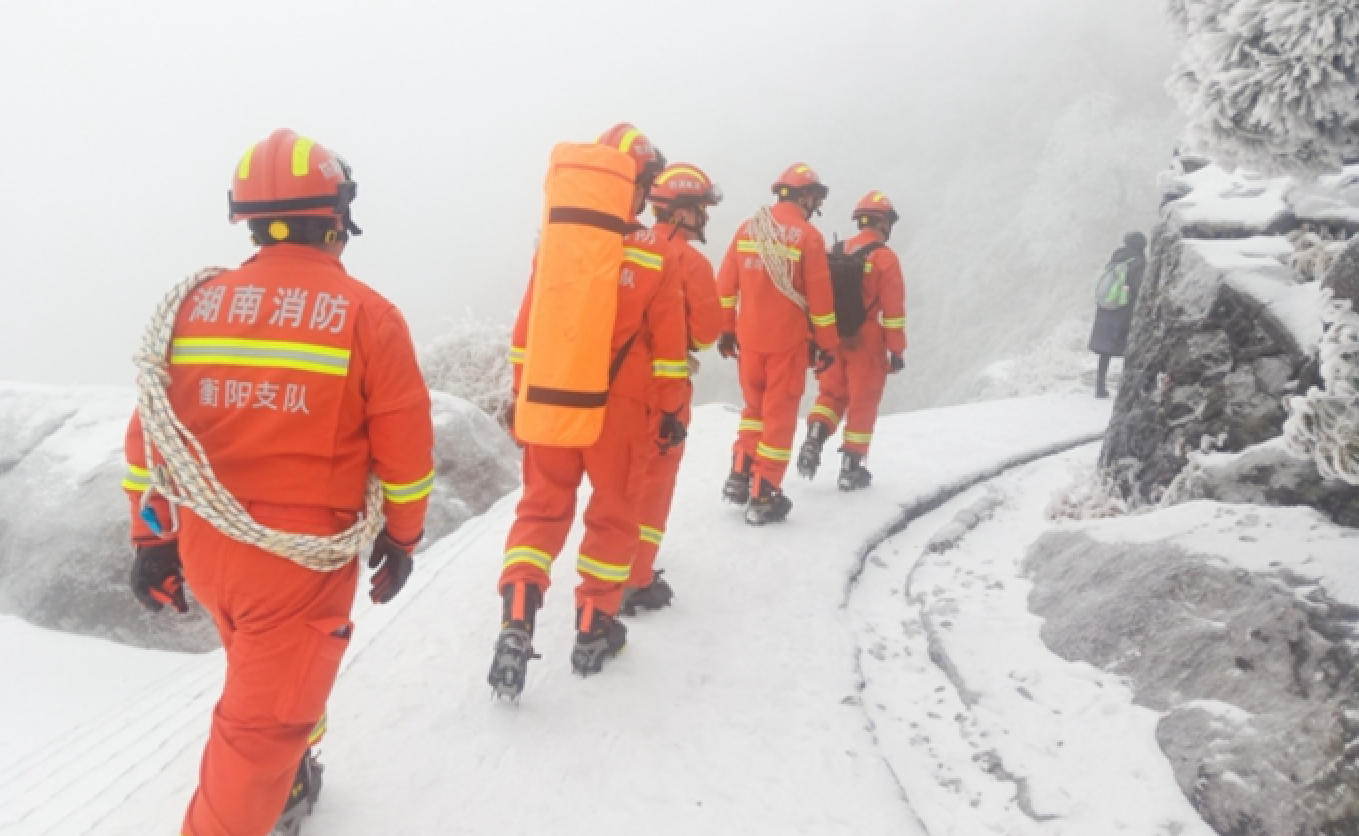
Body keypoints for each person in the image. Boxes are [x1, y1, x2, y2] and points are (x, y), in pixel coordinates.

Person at [123, 129, 434, 836]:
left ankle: (291, 779)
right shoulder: (366, 316)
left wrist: (152, 540)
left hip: (208, 548)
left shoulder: (192, 308)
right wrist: (404, 536)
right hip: (299, 562)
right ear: (337, 217)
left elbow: (149, 439)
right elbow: (406, 456)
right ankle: (268, 790)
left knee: (265, 689)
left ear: (250, 221)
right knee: (256, 733)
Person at [490, 124, 689, 696]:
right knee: (615, 512)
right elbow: (671, 353)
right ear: (637, 185)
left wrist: (523, 395)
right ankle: (593, 626)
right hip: (619, 410)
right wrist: (671, 411)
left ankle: (517, 621)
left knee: (540, 510)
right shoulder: (656, 255)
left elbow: (526, 331)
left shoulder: (556, 246)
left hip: (551, 398)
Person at [624, 163, 724, 615]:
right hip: (666, 387)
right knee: (656, 480)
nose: (704, 219)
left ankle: (610, 563)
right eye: (701, 210)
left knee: (621, 479)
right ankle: (635, 577)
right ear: (683, 214)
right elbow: (705, 334)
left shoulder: (631, 245)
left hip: (618, 388)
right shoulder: (693, 263)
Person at [716, 163, 839, 525]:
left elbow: (725, 287)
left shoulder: (747, 229)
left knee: (753, 411)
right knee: (779, 419)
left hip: (749, 342)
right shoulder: (808, 236)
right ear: (806, 196)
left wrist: (726, 329)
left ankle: (740, 473)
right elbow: (821, 302)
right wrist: (828, 347)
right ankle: (764, 492)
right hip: (786, 344)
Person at [797, 191, 907, 490]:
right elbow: (893, 313)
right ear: (884, 223)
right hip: (867, 340)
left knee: (831, 395)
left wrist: (816, 340)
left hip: (833, 336)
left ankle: (815, 434)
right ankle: (851, 467)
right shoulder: (885, 258)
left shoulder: (835, 250)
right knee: (863, 401)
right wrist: (896, 350)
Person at [1088, 231, 1148, 398]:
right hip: (1124, 312)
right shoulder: (1138, 263)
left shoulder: (1115, 260)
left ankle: (1100, 388)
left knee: (1104, 351)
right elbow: (1140, 288)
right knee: (1131, 349)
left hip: (1106, 310)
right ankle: (1127, 389)